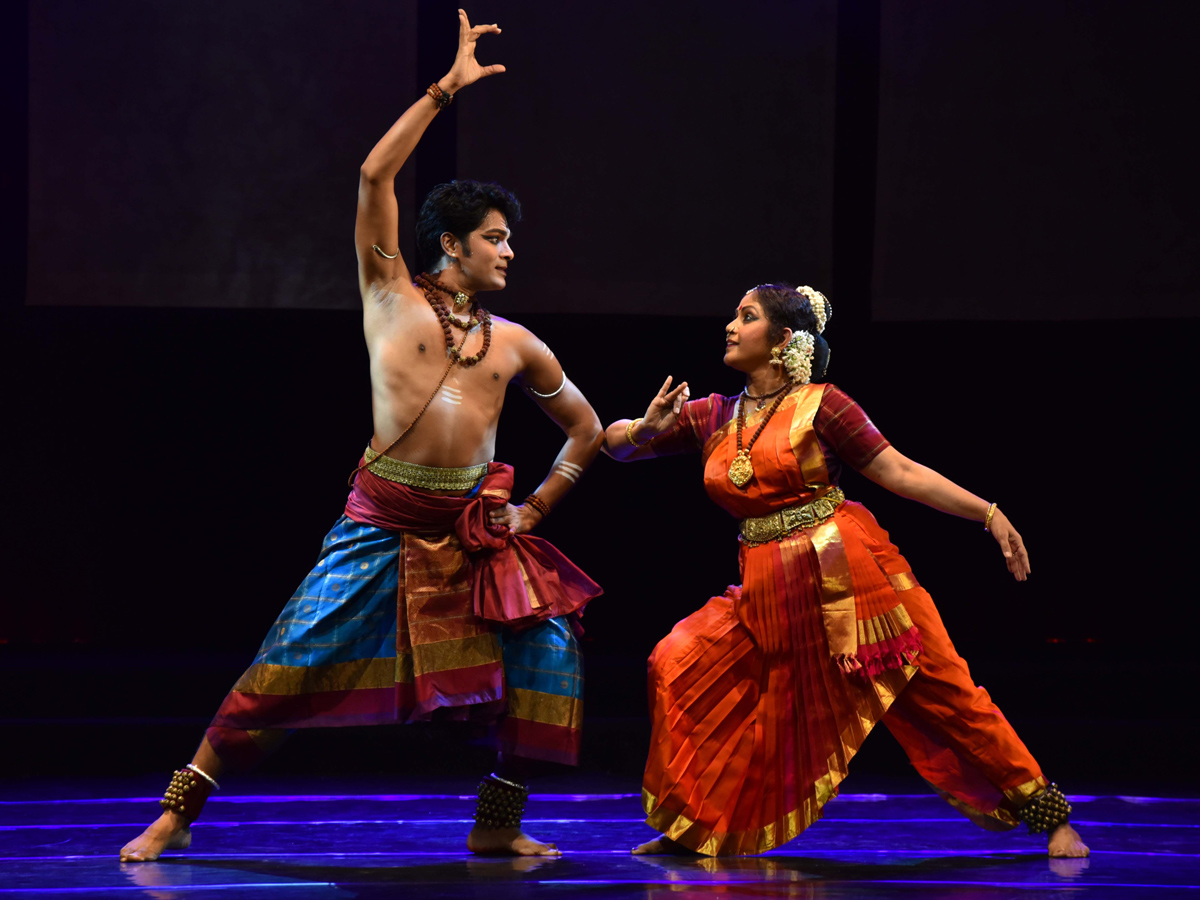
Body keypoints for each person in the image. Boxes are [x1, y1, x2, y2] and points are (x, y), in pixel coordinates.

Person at [121, 10, 603, 862]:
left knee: (549, 650)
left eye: (510, 241)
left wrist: (535, 510)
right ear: (451, 245)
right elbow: (374, 175)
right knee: (286, 664)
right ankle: (176, 813)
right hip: (379, 527)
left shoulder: (518, 343)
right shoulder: (392, 296)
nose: (509, 253)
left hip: (472, 538)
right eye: (495, 239)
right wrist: (441, 93)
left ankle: (497, 826)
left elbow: (585, 429)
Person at [603, 284, 1089, 858]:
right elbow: (615, 447)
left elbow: (900, 471)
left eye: (747, 316)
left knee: (942, 693)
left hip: (851, 578)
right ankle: (698, 827)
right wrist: (646, 427)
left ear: (783, 340)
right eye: (734, 315)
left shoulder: (823, 404)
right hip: (767, 589)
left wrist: (987, 512)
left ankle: (1050, 816)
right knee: (677, 659)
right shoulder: (716, 414)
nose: (730, 326)